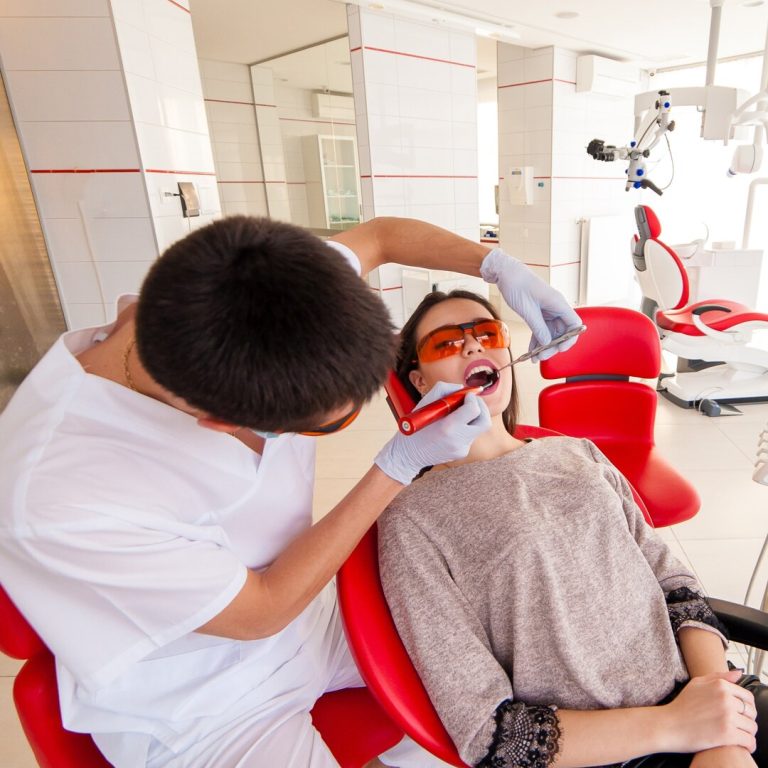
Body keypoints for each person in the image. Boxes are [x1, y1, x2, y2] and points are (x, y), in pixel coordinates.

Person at [0, 215, 581, 768]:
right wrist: (397, 465)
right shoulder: (58, 494)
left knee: (488, 667)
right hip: (203, 697)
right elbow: (261, 610)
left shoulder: (262, 291)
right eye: (327, 426)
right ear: (219, 423)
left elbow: (380, 236)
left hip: (317, 610)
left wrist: (498, 265)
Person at [378, 289, 767, 768]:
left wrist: (715, 708)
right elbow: (489, 733)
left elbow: (676, 586)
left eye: (486, 334)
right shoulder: (412, 520)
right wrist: (680, 727)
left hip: (713, 693)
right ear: (418, 380)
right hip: (612, 750)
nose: (474, 348)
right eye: (446, 344)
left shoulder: (576, 452)